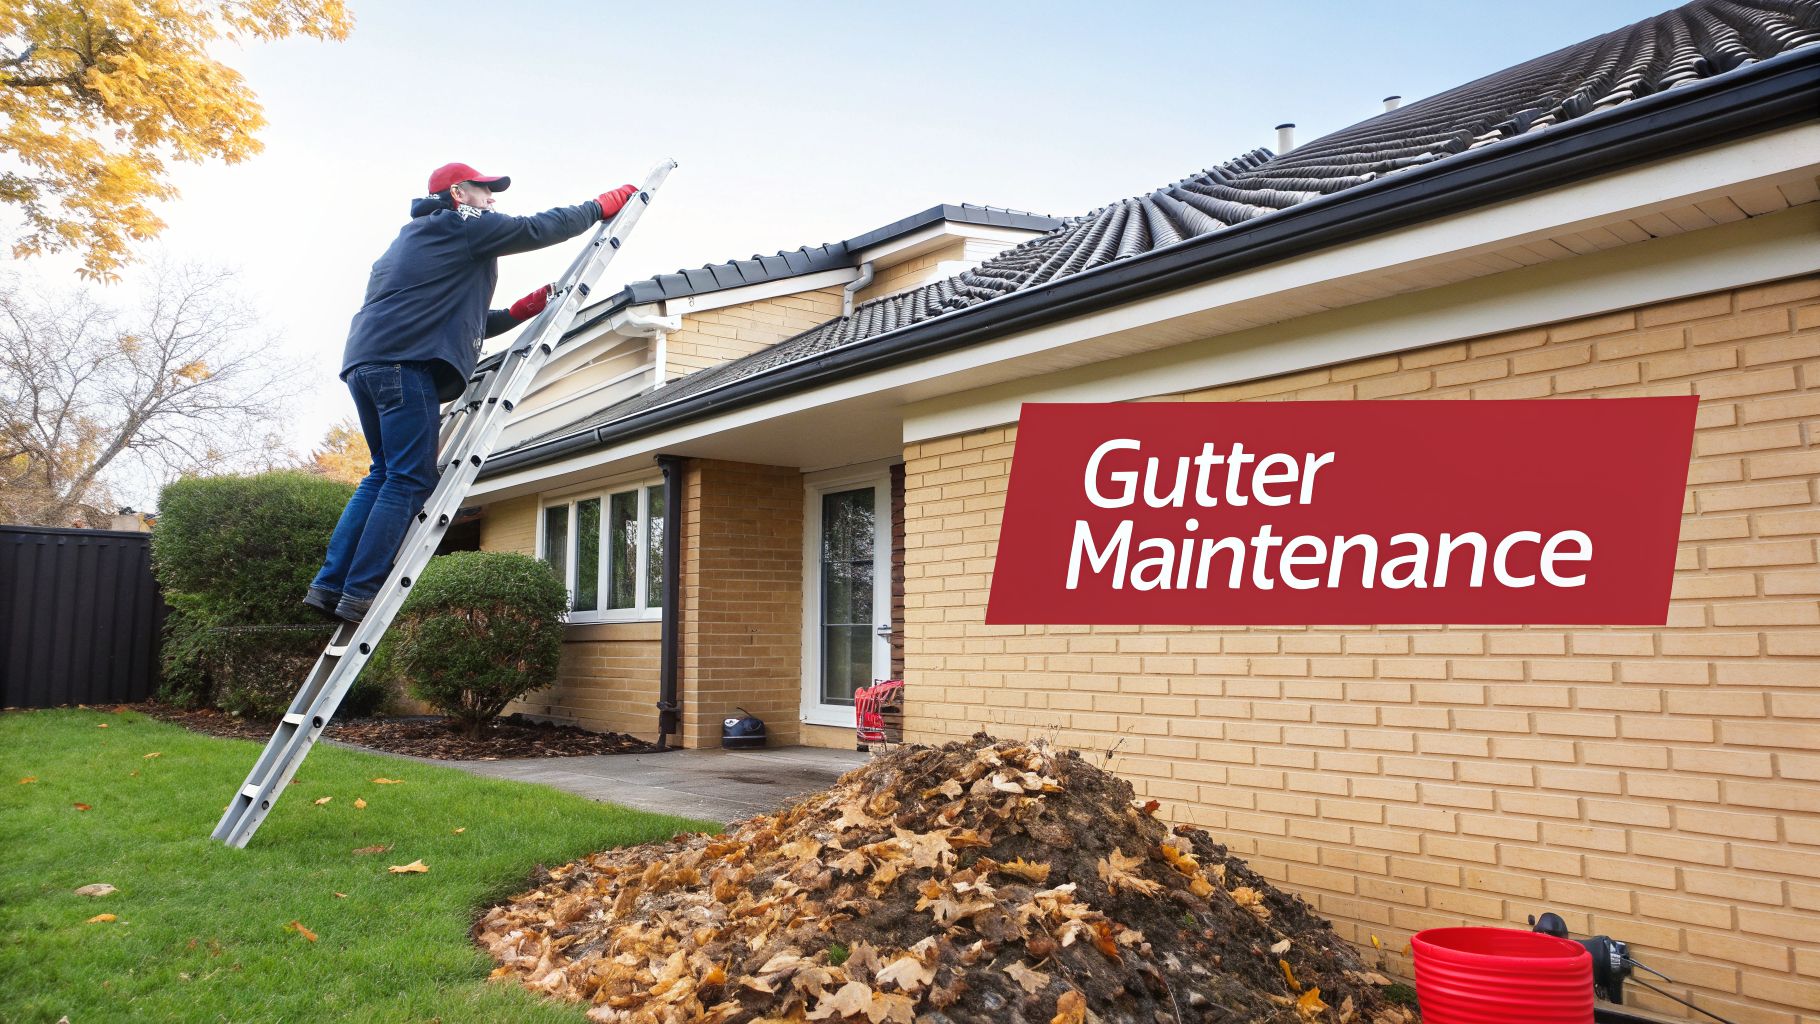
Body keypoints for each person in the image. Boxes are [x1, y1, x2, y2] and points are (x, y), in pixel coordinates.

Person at [305, 162, 638, 622]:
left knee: (382, 474)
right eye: (485, 191)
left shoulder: (412, 239)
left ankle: (328, 586)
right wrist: (598, 207)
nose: (492, 199)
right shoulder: (461, 224)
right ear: (459, 193)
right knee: (409, 479)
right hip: (406, 365)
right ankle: (361, 592)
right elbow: (538, 228)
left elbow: (451, 316)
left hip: (367, 364)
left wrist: (519, 312)